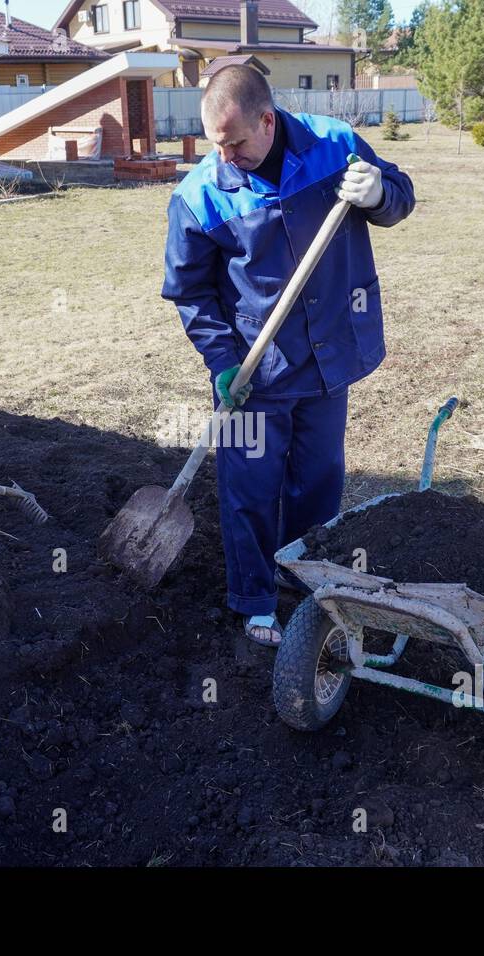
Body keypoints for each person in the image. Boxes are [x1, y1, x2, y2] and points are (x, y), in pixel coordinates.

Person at [162, 65, 415, 646]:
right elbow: (190, 291)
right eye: (215, 145)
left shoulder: (336, 147)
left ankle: (307, 583)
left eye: (235, 141)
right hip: (256, 370)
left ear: (267, 120)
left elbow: (400, 197)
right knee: (249, 487)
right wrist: (224, 361)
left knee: (318, 480)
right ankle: (254, 600)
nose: (226, 155)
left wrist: (378, 193)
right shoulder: (199, 196)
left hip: (329, 357)